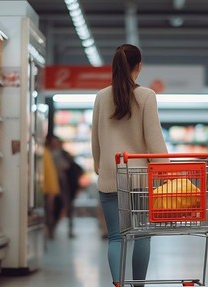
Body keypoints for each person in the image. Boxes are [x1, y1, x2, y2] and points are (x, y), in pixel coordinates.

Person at [91, 44, 168, 287]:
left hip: (110, 175)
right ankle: (138, 285)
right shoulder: (146, 96)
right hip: (139, 177)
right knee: (142, 235)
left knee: (115, 237)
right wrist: (164, 170)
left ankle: (118, 284)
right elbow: (154, 138)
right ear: (139, 66)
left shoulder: (102, 97)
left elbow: (96, 140)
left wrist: (99, 167)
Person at [52, 136, 83, 239]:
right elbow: (66, 166)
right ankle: (58, 229)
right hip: (63, 185)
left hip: (61, 184)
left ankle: (53, 229)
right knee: (64, 206)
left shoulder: (56, 154)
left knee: (59, 207)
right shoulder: (61, 154)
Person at [43, 135, 61, 239]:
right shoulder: (46, 153)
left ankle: (49, 231)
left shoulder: (47, 153)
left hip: (49, 189)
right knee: (48, 211)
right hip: (47, 189)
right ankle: (49, 232)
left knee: (49, 211)